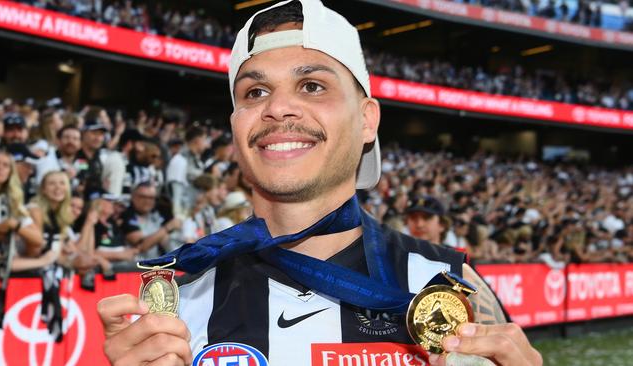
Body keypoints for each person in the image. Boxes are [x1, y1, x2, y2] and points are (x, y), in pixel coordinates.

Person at [98, 1, 541, 366]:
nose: (279, 108)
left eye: (311, 86)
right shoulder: (178, 302)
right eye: (255, 92)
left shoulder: (450, 284)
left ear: (367, 119)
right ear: (235, 126)